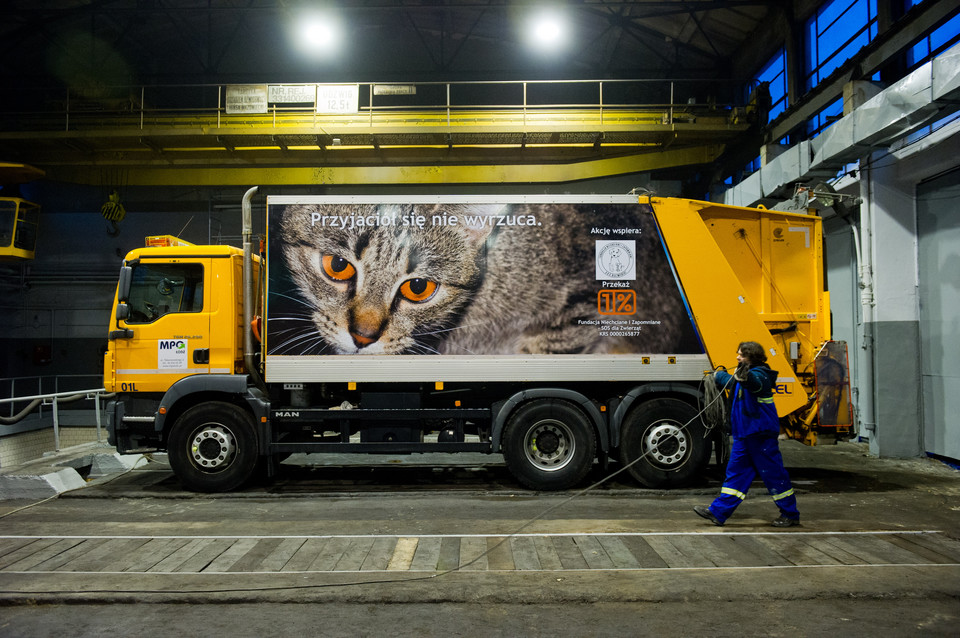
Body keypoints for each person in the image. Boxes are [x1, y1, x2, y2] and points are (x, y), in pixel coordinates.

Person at [694, 341, 800, 528]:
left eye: (741, 355)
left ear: (752, 357)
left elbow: (755, 384)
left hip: (760, 435)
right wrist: (718, 376)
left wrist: (745, 377)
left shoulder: (762, 375)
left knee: (773, 474)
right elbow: (733, 381)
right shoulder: (740, 377)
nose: (737, 357)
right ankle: (718, 512)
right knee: (735, 474)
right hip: (744, 435)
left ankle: (790, 514)